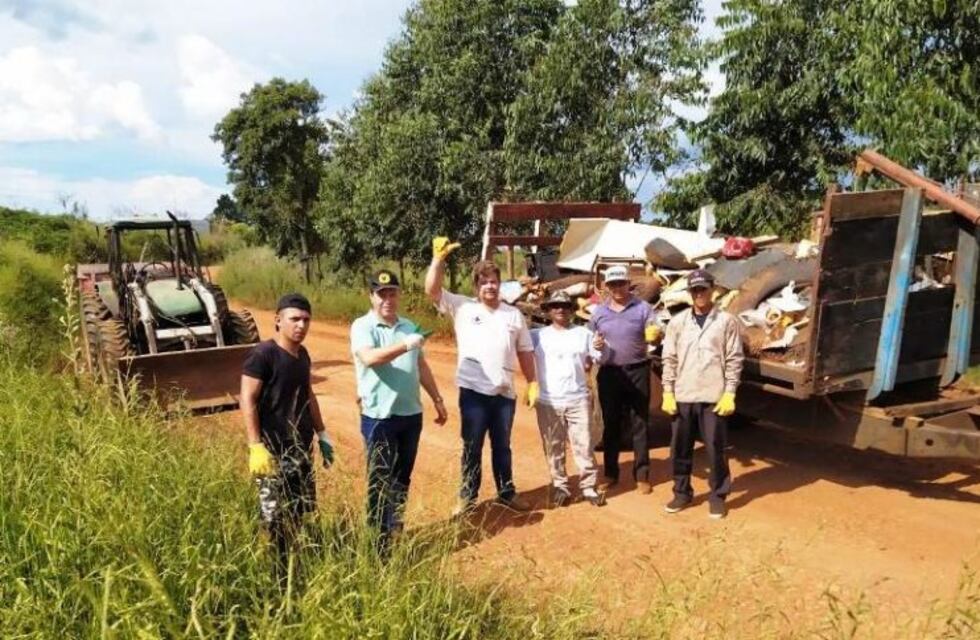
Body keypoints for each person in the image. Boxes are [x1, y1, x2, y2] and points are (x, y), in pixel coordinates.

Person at [425, 236, 538, 515]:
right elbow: (432, 290)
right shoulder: (463, 307)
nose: (490, 285)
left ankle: (506, 492)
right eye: (484, 281)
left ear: (500, 284)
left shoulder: (514, 315)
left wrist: (532, 381)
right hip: (473, 393)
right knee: (472, 446)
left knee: (502, 446)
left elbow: (524, 351)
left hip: (504, 393)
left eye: (494, 281)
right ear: (476, 286)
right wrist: (438, 261)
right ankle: (467, 497)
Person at [351, 270, 448, 549]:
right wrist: (404, 345)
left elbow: (421, 365)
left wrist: (437, 399)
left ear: (399, 295)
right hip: (379, 417)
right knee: (379, 478)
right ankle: (377, 540)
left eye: (392, 293)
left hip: (410, 415)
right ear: (371, 296)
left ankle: (394, 526)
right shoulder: (363, 326)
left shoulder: (408, 326)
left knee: (402, 476)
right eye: (382, 294)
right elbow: (369, 358)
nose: (388, 299)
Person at [240, 293, 334, 578]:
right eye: (294, 319)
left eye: (306, 320)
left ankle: (293, 563)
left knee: (298, 510)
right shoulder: (263, 355)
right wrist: (255, 445)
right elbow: (247, 398)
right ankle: (271, 571)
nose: (301, 325)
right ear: (278, 321)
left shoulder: (302, 355)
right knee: (272, 517)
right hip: (272, 452)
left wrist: (323, 433)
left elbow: (308, 393)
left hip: (301, 448)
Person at [660, 269, 744, 519]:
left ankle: (718, 495)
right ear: (689, 293)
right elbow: (669, 359)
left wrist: (730, 392)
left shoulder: (726, 321)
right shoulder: (677, 323)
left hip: (713, 396)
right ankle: (682, 492)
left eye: (703, 289)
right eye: (694, 290)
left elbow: (734, 359)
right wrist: (667, 391)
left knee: (715, 448)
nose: (699, 294)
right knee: (680, 449)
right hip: (683, 394)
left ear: (712, 290)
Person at [588, 265, 660, 494]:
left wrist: (656, 332)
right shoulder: (599, 312)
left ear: (628, 283)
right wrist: (594, 345)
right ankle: (610, 473)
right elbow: (589, 340)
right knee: (611, 424)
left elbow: (656, 328)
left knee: (640, 422)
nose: (617, 288)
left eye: (621, 283)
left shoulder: (643, 308)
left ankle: (642, 475)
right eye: (612, 284)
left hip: (638, 369)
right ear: (607, 287)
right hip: (609, 373)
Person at [531, 291, 606, 507]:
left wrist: (599, 346)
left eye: (564, 305)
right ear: (548, 310)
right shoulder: (537, 335)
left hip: (578, 398)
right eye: (555, 306)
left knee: (584, 444)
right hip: (548, 400)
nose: (560, 310)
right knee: (553, 446)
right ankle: (560, 486)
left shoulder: (583, 334)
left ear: (572, 309)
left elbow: (597, 354)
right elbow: (515, 343)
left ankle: (589, 487)